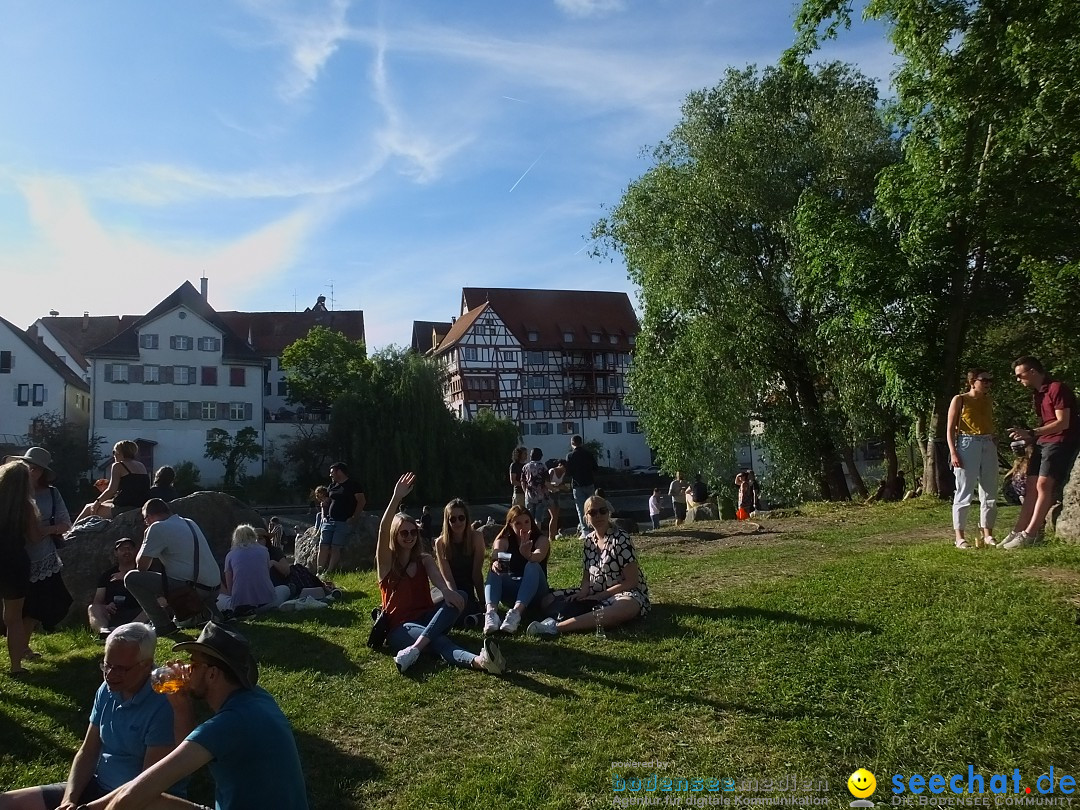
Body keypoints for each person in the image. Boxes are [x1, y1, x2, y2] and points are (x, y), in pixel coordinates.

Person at [89, 621, 309, 810]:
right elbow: (180, 764)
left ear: (212, 674)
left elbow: (131, 796)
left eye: (193, 664)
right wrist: (181, 705)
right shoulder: (256, 699)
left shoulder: (228, 724)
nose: (185, 669)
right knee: (148, 801)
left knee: (136, 801)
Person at [0, 622, 185, 809]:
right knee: (5, 802)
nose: (110, 675)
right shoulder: (107, 689)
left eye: (121, 669)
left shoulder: (164, 704)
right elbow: (88, 751)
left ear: (146, 666)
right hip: (97, 788)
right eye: (107, 665)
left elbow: (145, 786)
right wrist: (69, 800)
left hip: (137, 801)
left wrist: (89, 808)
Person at [376, 473, 505, 675]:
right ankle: (481, 661)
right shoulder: (386, 564)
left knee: (459, 595)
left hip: (427, 618)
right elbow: (383, 531)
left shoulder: (424, 559)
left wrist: (447, 592)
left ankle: (414, 650)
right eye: (403, 533)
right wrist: (396, 497)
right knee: (440, 641)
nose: (409, 537)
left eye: (412, 532)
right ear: (395, 535)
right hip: (400, 626)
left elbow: (440, 581)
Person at [528, 494, 650, 638]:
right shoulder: (588, 541)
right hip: (594, 592)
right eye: (592, 512)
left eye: (602, 511)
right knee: (547, 599)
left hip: (622, 592)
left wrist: (600, 596)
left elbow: (631, 581)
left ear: (608, 513)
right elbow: (587, 577)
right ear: (586, 517)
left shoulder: (621, 538)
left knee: (626, 608)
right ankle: (583, 615)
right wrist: (582, 593)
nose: (598, 515)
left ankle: (557, 627)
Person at [1003, 356, 1080, 549]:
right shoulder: (1037, 394)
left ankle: (1031, 533)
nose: (1018, 380)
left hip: (1060, 441)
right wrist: (1027, 439)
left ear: (1033, 372)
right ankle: (1018, 530)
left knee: (1043, 484)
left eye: (1020, 375)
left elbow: (1063, 422)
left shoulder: (1056, 389)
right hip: (1043, 442)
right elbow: (1045, 424)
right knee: (1031, 486)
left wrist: (1031, 433)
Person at [124, 499, 222, 637]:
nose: (146, 523)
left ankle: (162, 624)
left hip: (193, 589)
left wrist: (146, 537)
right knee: (171, 574)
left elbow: (142, 567)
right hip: (214, 589)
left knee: (132, 578)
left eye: (145, 519)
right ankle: (207, 610)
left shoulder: (157, 527)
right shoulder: (189, 522)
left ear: (150, 516)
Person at [11, 447, 73, 659]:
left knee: (41, 606)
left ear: (42, 472)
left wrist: (45, 530)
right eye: (27, 466)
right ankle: (19, 652)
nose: (30, 471)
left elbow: (66, 523)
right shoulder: (13, 492)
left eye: (34, 468)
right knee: (17, 609)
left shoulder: (52, 493)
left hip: (43, 556)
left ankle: (22, 649)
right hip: (15, 556)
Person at [945, 369, 998, 549]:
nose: (988, 383)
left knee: (990, 490)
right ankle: (960, 537)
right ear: (972, 381)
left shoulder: (988, 400)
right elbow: (950, 428)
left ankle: (988, 534)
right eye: (984, 380)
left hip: (988, 442)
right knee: (964, 490)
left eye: (990, 380)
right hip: (967, 443)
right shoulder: (960, 399)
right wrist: (953, 452)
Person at [483, 506, 550, 635]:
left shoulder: (541, 540)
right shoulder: (504, 540)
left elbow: (539, 555)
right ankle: (491, 614)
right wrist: (496, 562)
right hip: (512, 591)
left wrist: (527, 554)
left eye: (526, 522)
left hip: (537, 592)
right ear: (510, 525)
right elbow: (497, 554)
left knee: (532, 565)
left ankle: (515, 615)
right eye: (518, 523)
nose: (523, 527)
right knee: (495, 569)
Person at [0, 460, 37, 676]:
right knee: (13, 618)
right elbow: (33, 537)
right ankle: (15, 667)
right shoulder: (26, 507)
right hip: (15, 561)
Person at [219, 526, 290, 614]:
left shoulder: (230, 555)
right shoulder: (264, 551)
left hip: (240, 606)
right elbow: (266, 576)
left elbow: (230, 588)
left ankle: (246, 610)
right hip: (267, 603)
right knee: (285, 589)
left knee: (219, 599)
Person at [75, 441, 151, 522]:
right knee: (106, 501)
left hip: (124, 508)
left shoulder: (118, 466)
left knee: (88, 508)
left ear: (119, 452)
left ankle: (70, 532)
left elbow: (112, 490)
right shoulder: (141, 466)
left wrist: (97, 502)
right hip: (140, 506)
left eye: (114, 452)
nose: (114, 455)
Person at [433, 499, 486, 613]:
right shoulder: (440, 543)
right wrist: (455, 598)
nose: (457, 522)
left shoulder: (476, 537)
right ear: (447, 522)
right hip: (449, 588)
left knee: (468, 606)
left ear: (467, 519)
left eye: (461, 518)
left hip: (467, 587)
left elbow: (476, 574)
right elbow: (447, 578)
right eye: (453, 519)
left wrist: (483, 602)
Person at [89, 538, 147, 639]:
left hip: (137, 612)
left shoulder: (143, 571)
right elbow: (98, 601)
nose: (126, 551)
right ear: (116, 553)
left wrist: (126, 576)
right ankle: (104, 632)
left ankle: (129, 631)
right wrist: (107, 606)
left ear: (135, 551)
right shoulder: (107, 575)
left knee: (157, 604)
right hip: (115, 613)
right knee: (92, 608)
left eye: (129, 548)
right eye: (122, 549)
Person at [317, 462, 366, 578]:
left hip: (343, 521)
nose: (330, 475)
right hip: (329, 521)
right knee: (323, 545)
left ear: (339, 471)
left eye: (332, 472)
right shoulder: (332, 486)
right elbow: (325, 503)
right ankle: (319, 571)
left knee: (335, 546)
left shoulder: (353, 485)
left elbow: (361, 501)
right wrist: (323, 516)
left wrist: (355, 517)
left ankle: (330, 570)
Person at [565, 435, 598, 537]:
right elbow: (595, 468)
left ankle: (585, 531)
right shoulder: (588, 454)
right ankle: (594, 527)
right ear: (581, 442)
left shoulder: (570, 456)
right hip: (589, 482)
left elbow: (568, 472)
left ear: (572, 443)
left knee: (580, 508)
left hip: (577, 484)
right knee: (592, 507)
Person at [521, 448, 550, 528]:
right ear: (541, 456)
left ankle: (530, 535)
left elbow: (523, 481)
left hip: (529, 495)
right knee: (538, 519)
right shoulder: (543, 467)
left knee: (529, 518)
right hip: (541, 495)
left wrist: (525, 492)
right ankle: (537, 536)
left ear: (531, 456)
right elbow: (547, 482)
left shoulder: (525, 467)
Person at [547, 460, 569, 543]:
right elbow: (548, 484)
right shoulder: (552, 471)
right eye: (563, 468)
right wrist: (557, 486)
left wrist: (563, 487)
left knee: (556, 516)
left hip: (557, 494)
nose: (564, 470)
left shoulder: (563, 473)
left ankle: (554, 535)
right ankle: (550, 536)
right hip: (549, 495)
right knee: (553, 516)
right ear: (560, 465)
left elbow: (561, 484)